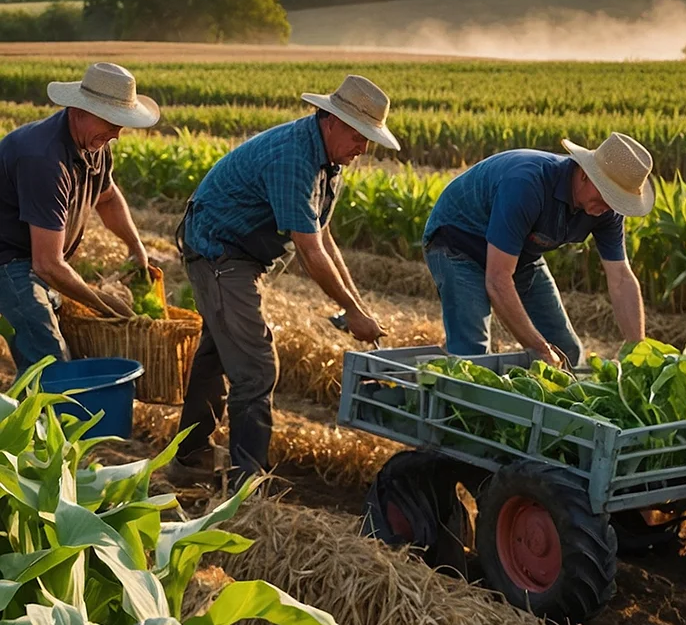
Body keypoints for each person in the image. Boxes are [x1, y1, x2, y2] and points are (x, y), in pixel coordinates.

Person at [171, 74, 399, 487]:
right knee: (257, 368)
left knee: (217, 354)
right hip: (219, 252)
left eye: (368, 140)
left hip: (240, 254)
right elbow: (310, 252)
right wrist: (351, 311)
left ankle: (189, 459)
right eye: (359, 137)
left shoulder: (329, 160)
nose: (363, 149)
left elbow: (323, 236)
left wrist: (357, 306)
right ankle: (247, 484)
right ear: (332, 121)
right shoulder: (294, 158)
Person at [422, 133, 654, 366]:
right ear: (585, 174)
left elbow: (621, 278)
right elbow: (498, 279)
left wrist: (637, 351)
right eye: (607, 194)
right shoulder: (527, 184)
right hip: (459, 243)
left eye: (617, 200)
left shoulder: (607, 211)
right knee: (472, 355)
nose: (609, 206)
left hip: (521, 255)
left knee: (568, 353)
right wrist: (539, 348)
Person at [0, 62, 159, 372]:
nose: (116, 134)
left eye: (120, 124)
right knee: (50, 361)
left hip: (37, 259)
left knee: (55, 354)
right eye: (111, 122)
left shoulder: (94, 144)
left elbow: (107, 198)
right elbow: (47, 264)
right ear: (79, 111)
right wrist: (103, 305)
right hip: (9, 261)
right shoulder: (43, 159)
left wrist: (135, 246)